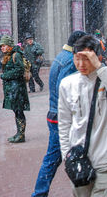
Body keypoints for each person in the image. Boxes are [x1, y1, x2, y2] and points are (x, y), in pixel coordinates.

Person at [58, 35, 107, 197]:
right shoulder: (67, 84)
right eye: (77, 58)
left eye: (87, 59)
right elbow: (64, 123)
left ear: (98, 57)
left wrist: (100, 67)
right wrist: (66, 156)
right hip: (79, 159)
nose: (81, 64)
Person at [31, 30, 86, 197]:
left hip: (54, 113)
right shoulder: (70, 61)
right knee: (54, 158)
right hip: (61, 117)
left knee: (54, 158)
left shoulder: (62, 56)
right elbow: (66, 91)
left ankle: (40, 193)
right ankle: (39, 193)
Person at [0, 35, 30, 143]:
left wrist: (5, 75)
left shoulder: (15, 55)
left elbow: (19, 70)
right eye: (1, 46)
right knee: (17, 111)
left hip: (17, 88)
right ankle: (19, 133)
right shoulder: (9, 55)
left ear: (9, 46)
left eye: (4, 45)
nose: (2, 48)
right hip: (13, 88)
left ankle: (21, 135)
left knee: (19, 111)